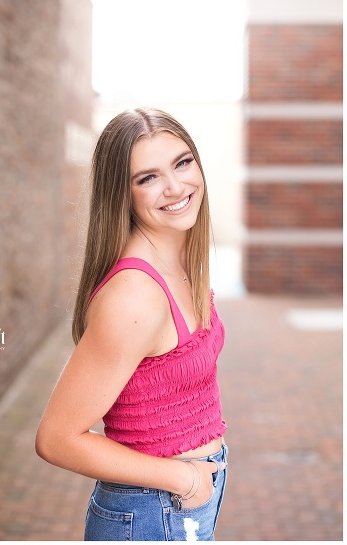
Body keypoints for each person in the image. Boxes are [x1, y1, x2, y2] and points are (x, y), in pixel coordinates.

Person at [35, 108, 228, 541]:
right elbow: (57, 438)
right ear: (122, 194)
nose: (176, 187)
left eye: (182, 162)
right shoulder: (134, 296)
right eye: (148, 177)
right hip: (153, 509)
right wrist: (187, 481)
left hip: (179, 502)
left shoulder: (177, 258)